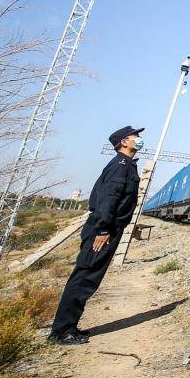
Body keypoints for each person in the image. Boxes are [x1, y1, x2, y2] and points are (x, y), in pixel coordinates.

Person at [47, 125, 143, 344]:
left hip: (107, 228)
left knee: (88, 277)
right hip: (104, 230)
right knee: (85, 278)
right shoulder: (120, 166)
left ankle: (68, 327)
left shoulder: (125, 165)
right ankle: (62, 332)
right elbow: (108, 200)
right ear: (124, 142)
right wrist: (103, 229)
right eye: (135, 137)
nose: (139, 140)